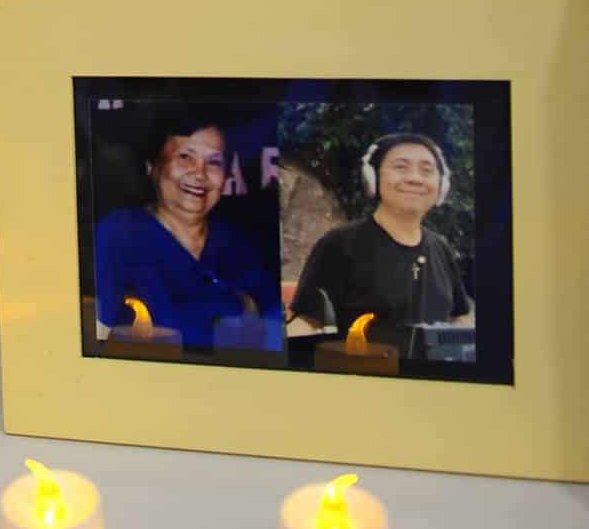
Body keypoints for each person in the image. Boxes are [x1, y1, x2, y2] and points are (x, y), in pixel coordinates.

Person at [93, 114, 281, 352]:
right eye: (185, 157)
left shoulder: (236, 243)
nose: (199, 174)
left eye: (214, 163)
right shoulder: (119, 233)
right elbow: (101, 329)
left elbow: (273, 322)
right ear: (152, 166)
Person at [288, 132, 473, 342]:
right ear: (373, 178)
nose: (415, 178)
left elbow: (460, 316)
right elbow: (306, 322)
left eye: (427, 170)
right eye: (401, 167)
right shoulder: (340, 244)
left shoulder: (441, 247)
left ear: (441, 185)